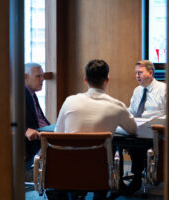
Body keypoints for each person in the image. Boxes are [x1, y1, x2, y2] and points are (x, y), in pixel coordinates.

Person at [53, 59, 137, 200]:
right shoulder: (117, 106)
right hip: (100, 172)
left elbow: (58, 133)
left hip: (68, 169)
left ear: (85, 79)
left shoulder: (70, 101)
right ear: (107, 80)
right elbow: (133, 130)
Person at [25, 63, 50, 170]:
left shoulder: (32, 94)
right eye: (38, 76)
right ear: (25, 77)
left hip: (42, 135)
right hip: (32, 143)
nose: (42, 79)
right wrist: (24, 130)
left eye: (43, 76)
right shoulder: (16, 94)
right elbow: (5, 118)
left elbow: (40, 120)